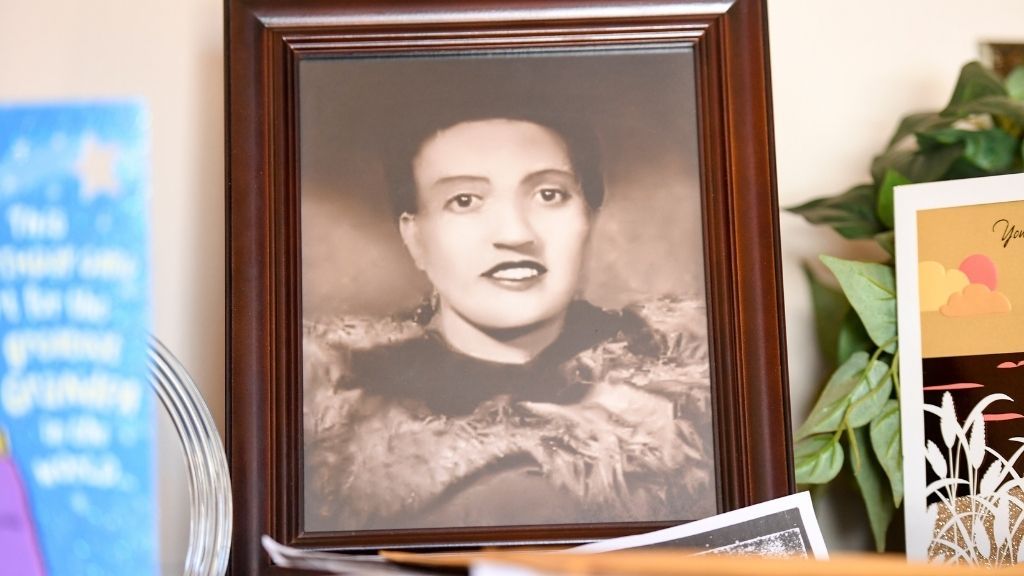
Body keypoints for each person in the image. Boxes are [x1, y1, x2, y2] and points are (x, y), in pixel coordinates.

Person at [302, 114, 714, 532]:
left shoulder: (694, 402)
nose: (516, 233)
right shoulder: (330, 425)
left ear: (589, 217)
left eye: (549, 194)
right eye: (464, 200)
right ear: (415, 238)